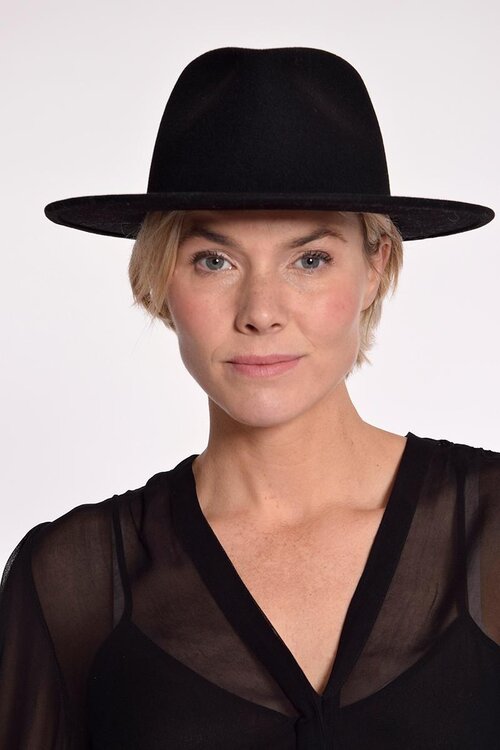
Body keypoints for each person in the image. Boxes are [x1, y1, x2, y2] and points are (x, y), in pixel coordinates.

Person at [1, 46, 499, 750]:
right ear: (159, 277)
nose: (261, 311)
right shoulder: (73, 581)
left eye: (310, 260)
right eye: (215, 260)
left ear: (375, 267)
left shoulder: (491, 530)